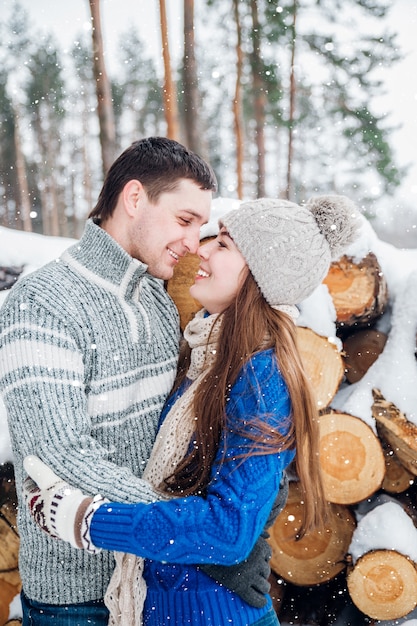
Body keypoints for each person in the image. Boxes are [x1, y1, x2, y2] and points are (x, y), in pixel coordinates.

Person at [24, 195, 361, 626]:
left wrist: (91, 521)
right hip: (174, 606)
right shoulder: (206, 356)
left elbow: (228, 529)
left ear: (261, 274)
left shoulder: (262, 376)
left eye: (223, 244)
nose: (201, 249)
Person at [0, 137, 276, 625]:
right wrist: (203, 543)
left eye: (201, 227)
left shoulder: (158, 303)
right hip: (77, 596)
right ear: (133, 200)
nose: (194, 243)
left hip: (156, 584)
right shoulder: (42, 301)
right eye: (184, 221)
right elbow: (59, 455)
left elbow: (194, 433)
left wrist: (234, 525)